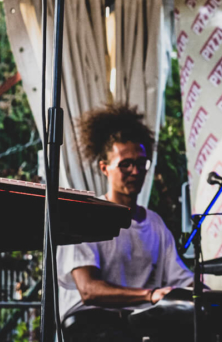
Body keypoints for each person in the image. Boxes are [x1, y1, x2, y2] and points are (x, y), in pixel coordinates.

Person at [57, 104, 194, 341]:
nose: (134, 171)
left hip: (142, 325)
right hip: (92, 326)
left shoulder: (155, 224)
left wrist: (212, 297)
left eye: (141, 163)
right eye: (125, 164)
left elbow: (181, 281)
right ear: (104, 168)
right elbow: (89, 291)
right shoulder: (85, 216)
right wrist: (150, 295)